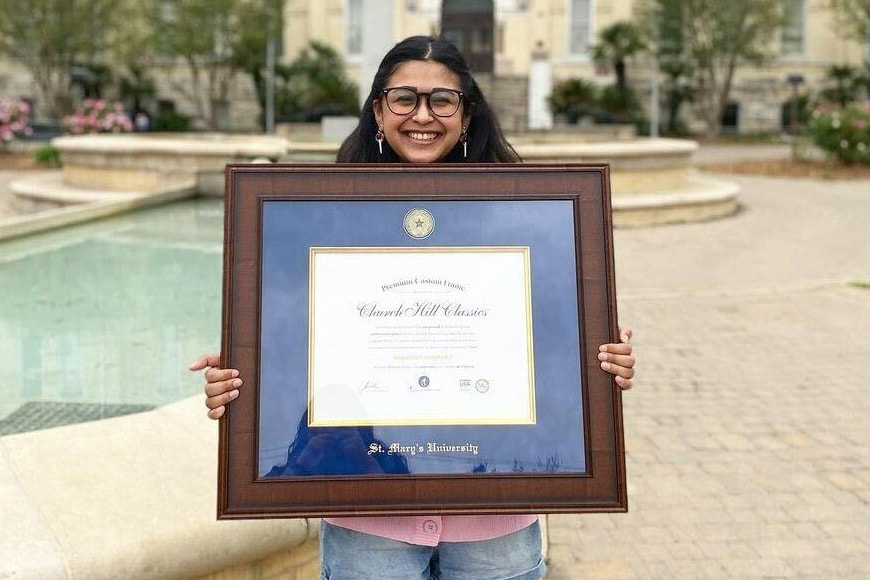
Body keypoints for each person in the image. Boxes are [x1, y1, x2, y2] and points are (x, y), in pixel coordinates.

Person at [190, 35, 635, 580]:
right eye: (404, 98)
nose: (422, 115)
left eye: (442, 100)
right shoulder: (321, 216)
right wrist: (248, 371)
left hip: (494, 520)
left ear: (466, 114)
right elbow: (288, 326)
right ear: (378, 109)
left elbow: (554, 333)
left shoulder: (522, 217)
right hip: (368, 518)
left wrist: (600, 357)